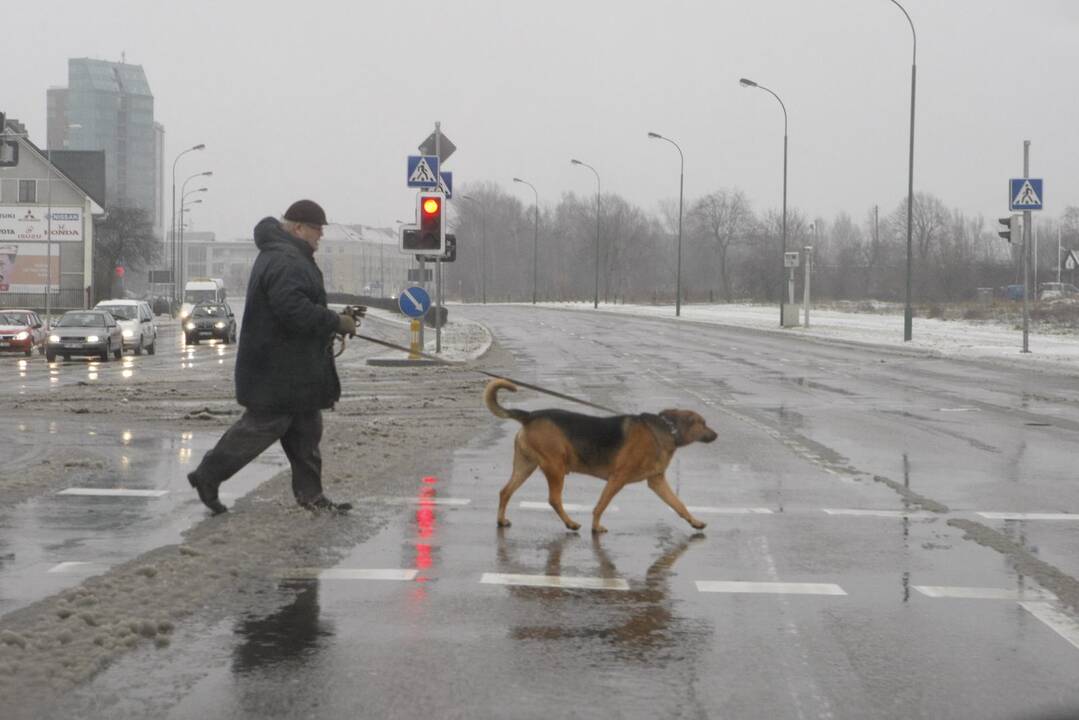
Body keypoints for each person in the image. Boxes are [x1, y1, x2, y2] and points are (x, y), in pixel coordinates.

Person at [188, 199, 358, 515]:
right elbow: (293, 311)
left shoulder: (286, 255)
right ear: (297, 227)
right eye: (316, 230)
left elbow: (297, 308)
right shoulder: (286, 260)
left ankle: (311, 495)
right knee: (258, 430)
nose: (320, 236)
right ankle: (207, 476)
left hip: (293, 370)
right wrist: (335, 322)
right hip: (278, 370)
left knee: (306, 433)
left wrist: (331, 321)